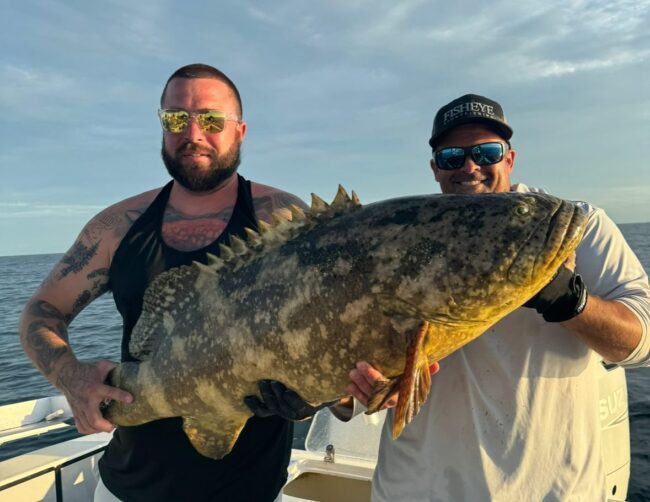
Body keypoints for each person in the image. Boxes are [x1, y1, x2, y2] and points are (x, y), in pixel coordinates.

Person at [19, 63, 308, 502]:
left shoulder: (284, 220)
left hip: (252, 490)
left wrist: (318, 398)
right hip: (128, 487)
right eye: (176, 119)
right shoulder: (116, 228)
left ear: (240, 131)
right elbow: (41, 312)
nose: (192, 133)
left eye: (211, 120)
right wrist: (70, 376)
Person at [343, 94, 650, 501]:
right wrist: (348, 396)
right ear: (435, 168)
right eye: (452, 156)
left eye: (486, 152)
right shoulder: (401, 239)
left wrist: (569, 301)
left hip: (550, 492)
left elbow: (643, 343)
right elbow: (348, 371)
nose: (470, 166)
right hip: (413, 490)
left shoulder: (574, 224)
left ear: (510, 159)